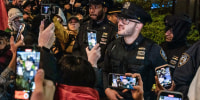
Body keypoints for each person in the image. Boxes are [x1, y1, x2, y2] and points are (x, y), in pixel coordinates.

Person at [103, 2, 167, 100]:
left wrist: (162, 88)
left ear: (138, 26)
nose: (120, 23)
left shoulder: (153, 50)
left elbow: (166, 84)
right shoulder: (113, 46)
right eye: (120, 18)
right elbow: (105, 71)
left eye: (126, 20)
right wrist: (107, 89)